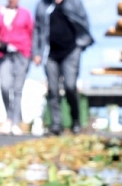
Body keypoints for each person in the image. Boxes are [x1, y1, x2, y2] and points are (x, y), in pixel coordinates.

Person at [32, 0, 94, 135]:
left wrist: (82, 43)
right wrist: (36, 52)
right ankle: (56, 124)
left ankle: (75, 120)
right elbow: (37, 28)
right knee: (53, 89)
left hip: (71, 51)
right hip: (49, 53)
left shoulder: (74, 3)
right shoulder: (43, 5)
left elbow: (84, 20)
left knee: (70, 86)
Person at [0, 0, 33, 135]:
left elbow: (31, 33)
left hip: (22, 54)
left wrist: (32, 54)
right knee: (5, 85)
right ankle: (9, 116)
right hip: (4, 54)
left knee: (18, 89)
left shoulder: (25, 13)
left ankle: (15, 122)